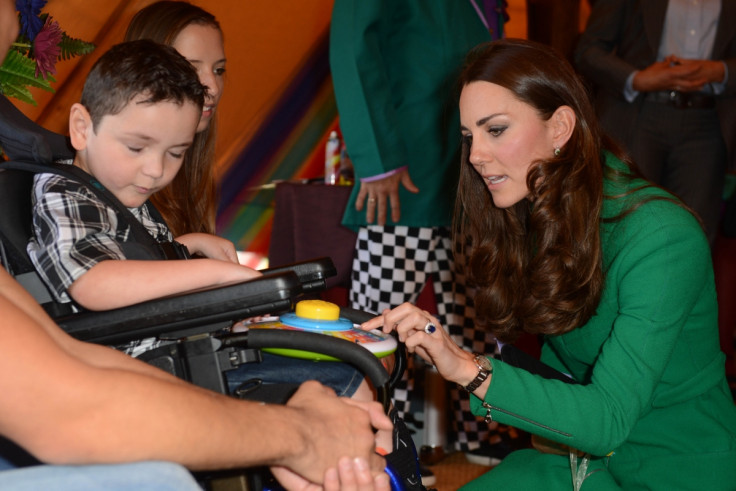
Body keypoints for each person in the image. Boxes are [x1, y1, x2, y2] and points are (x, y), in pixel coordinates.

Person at [361, 38, 736, 490]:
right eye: (468, 137)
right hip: (582, 462)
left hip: (675, 469)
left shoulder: (663, 236)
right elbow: (561, 384)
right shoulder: (538, 216)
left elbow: (606, 419)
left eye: (494, 130)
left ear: (560, 127)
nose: (476, 155)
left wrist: (464, 367)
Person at [329, 0, 515, 466]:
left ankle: (481, 430)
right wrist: (375, 158)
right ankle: (379, 442)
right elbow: (353, 47)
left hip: (467, 167)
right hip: (404, 167)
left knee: (473, 313)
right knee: (380, 318)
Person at [574, 0, 736, 245]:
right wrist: (637, 79)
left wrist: (721, 71)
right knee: (620, 227)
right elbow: (588, 50)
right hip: (637, 115)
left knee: (694, 236)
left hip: (708, 122)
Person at [123, 1, 221, 238]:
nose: (214, 87)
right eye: (191, 67)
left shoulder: (195, 178)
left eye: (219, 70)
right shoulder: (116, 176)